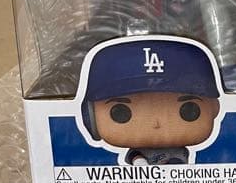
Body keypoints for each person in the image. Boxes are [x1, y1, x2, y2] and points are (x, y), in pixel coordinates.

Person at [80, 35, 222, 165]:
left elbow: (179, 161)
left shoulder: (179, 151)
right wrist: (139, 161)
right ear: (91, 116)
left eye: (189, 110)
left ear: (214, 108)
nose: (156, 123)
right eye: (121, 113)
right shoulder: (136, 151)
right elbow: (134, 156)